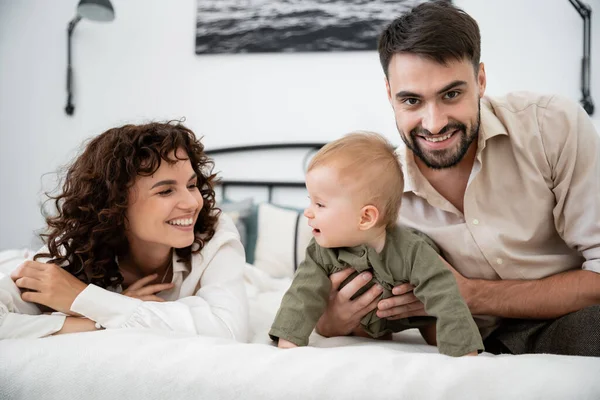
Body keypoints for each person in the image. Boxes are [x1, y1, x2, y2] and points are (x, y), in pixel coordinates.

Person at [315, 0, 600, 356]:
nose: (434, 124)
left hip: (571, 316)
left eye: (451, 94)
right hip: (464, 342)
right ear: (390, 94)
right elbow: (337, 303)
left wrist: (472, 293)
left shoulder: (552, 126)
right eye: (411, 101)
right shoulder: (372, 190)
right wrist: (334, 319)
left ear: (480, 80)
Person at [0, 121, 249, 341]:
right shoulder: (77, 246)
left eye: (192, 185)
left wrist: (86, 299)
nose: (193, 203)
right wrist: (95, 322)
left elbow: (228, 329)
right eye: (165, 191)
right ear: (115, 205)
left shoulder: (214, 232)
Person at [269, 132, 482, 357]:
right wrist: (288, 338)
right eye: (309, 200)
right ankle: (377, 331)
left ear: (365, 218)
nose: (308, 212)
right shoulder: (320, 251)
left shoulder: (412, 251)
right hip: (367, 315)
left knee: (437, 331)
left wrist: (463, 348)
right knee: (362, 333)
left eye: (320, 204)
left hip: (413, 311)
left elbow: (444, 292)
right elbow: (303, 292)